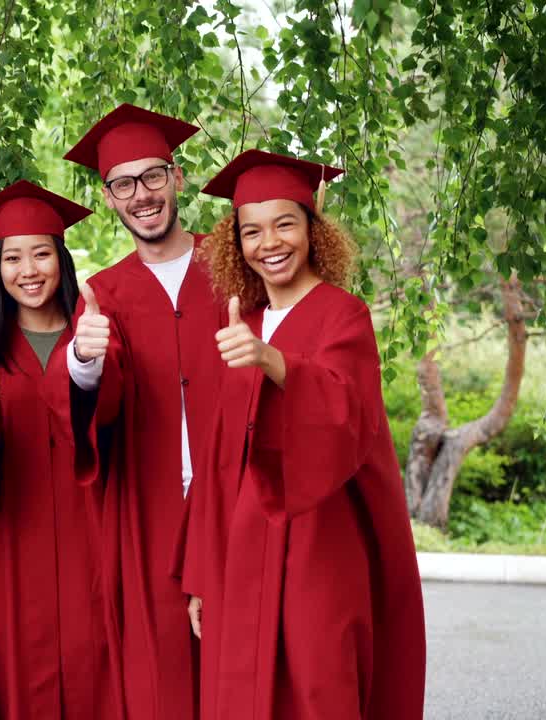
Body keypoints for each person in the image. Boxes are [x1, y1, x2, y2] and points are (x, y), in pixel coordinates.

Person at [180, 149, 426, 719]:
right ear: (235, 244)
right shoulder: (242, 324)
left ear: (313, 230)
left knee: (318, 689)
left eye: (285, 223)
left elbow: (348, 416)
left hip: (321, 549)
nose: (270, 242)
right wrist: (198, 577)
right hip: (238, 554)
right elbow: (218, 464)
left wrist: (275, 362)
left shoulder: (344, 315)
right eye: (252, 231)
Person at [61, 103, 227, 720]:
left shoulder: (234, 265)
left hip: (234, 503)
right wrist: (84, 358)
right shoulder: (104, 294)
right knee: (159, 676)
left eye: (153, 177)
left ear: (177, 178)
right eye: (124, 184)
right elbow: (101, 408)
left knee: (239, 669)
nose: (142, 195)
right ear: (109, 198)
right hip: (149, 513)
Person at [0, 179, 115, 719]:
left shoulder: (95, 335)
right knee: (17, 675)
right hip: (10, 546)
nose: (28, 270)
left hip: (93, 540)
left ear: (61, 260)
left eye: (41, 254)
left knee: (96, 670)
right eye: (13, 257)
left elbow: (120, 420)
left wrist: (87, 363)